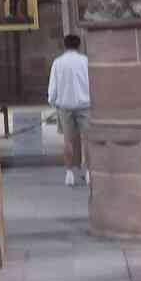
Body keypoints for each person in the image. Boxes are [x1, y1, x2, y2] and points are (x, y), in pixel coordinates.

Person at [47, 34, 90, 186]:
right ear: (79, 46)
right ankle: (89, 172)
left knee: (68, 141)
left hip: (65, 106)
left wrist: (52, 101)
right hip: (85, 105)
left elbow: (53, 85)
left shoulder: (58, 62)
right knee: (87, 140)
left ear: (64, 46)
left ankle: (69, 173)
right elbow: (92, 82)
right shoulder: (85, 61)